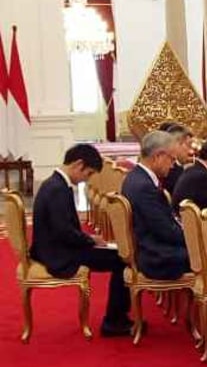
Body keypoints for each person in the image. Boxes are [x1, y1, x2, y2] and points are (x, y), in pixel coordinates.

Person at [30, 143, 131, 337]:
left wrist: (89, 239)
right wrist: (91, 241)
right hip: (58, 253)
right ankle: (114, 322)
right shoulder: (57, 189)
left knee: (116, 255)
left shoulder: (55, 184)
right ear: (78, 165)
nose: (88, 179)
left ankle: (118, 318)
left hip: (57, 247)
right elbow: (64, 232)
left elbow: (64, 230)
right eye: (89, 173)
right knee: (121, 259)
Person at [121, 130, 190, 279]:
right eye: (172, 159)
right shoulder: (143, 187)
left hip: (152, 248)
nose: (172, 166)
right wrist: (196, 238)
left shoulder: (135, 177)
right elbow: (165, 230)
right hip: (157, 257)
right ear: (158, 156)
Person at [158, 122, 194, 195]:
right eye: (188, 145)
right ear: (176, 144)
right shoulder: (168, 170)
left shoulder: (178, 167)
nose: (191, 151)